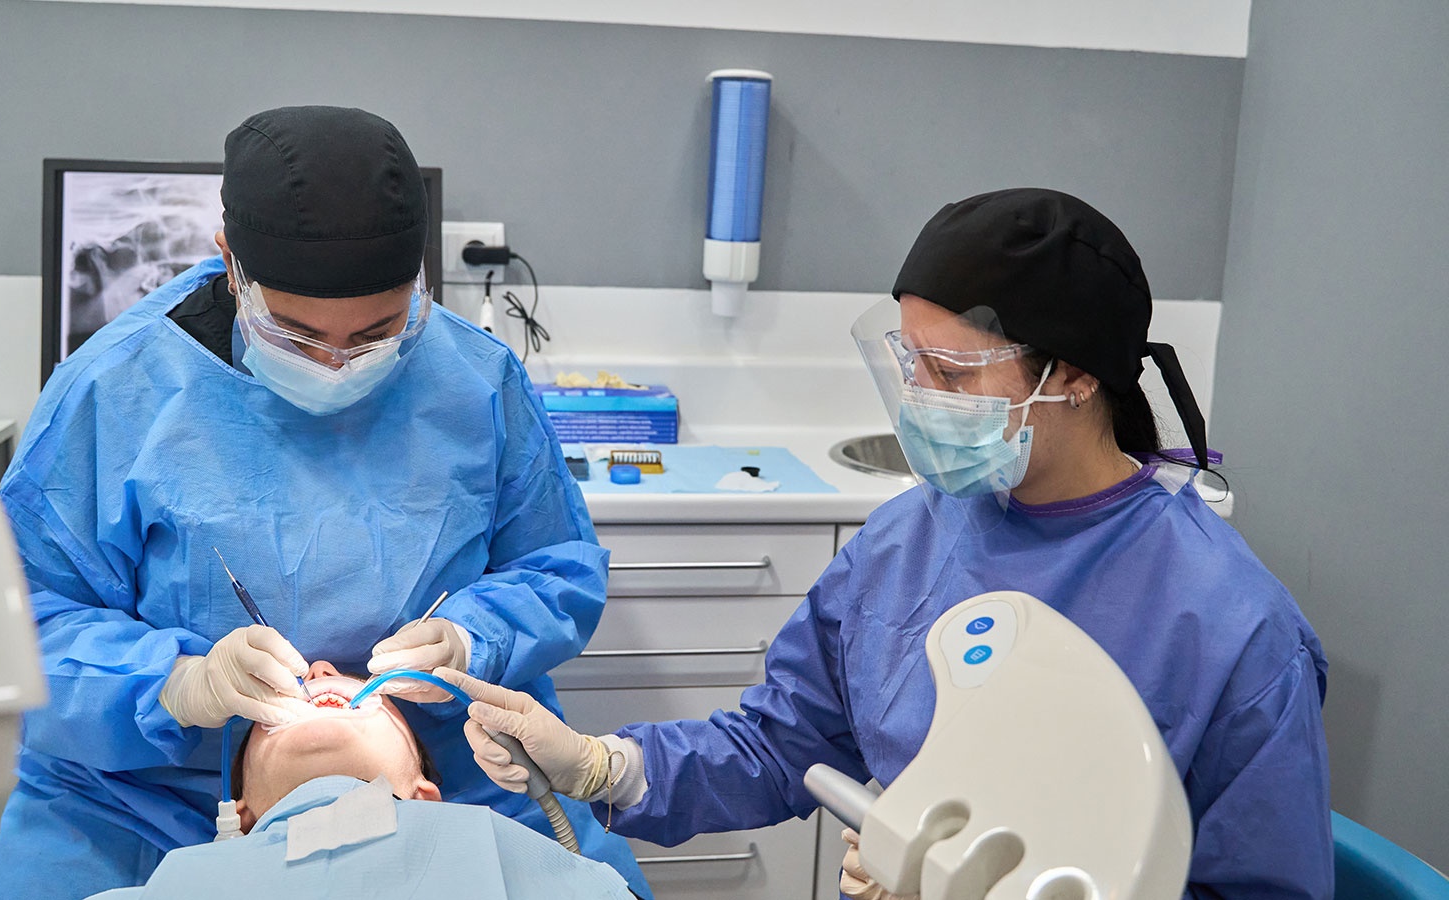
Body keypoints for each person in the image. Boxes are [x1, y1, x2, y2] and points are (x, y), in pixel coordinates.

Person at [439, 188, 1333, 899]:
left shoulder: (1232, 628)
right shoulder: (911, 537)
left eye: (950, 373)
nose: (919, 402)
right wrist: (606, 767)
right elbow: (783, 744)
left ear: (1072, 376)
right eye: (910, 365)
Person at [0, 105, 647, 900]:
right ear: (230, 265)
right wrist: (175, 685)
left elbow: (556, 567)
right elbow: (19, 627)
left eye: (376, 334)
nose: (337, 365)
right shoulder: (114, 393)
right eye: (297, 336)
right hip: (142, 801)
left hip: (459, 774)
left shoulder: (476, 380)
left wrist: (476, 638)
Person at [85, 662, 634, 899]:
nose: (320, 672)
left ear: (425, 794)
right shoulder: (190, 877)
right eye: (266, 717)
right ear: (240, 816)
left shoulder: (489, 841)